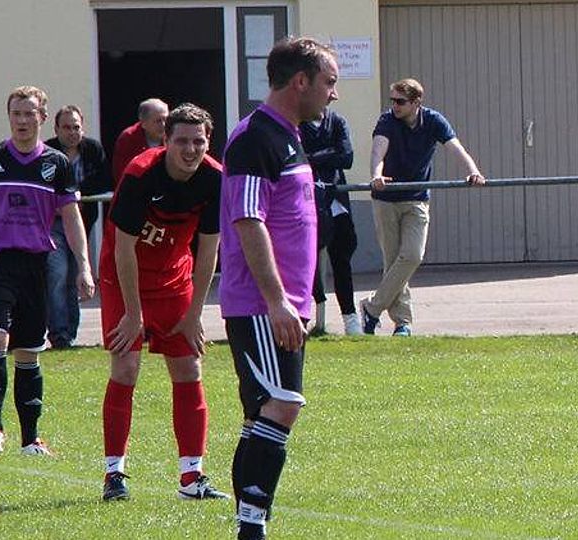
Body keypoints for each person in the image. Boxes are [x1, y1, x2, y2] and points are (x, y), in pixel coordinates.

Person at [220, 36, 338, 540]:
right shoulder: (255, 139)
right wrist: (276, 302)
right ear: (300, 82)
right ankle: (252, 527)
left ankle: (250, 523)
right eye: (329, 82)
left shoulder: (287, 135)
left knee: (262, 412)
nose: (334, 94)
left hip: (282, 303)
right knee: (282, 404)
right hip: (262, 305)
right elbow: (249, 220)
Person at [0, 86, 95, 457]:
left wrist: (84, 266)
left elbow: (71, 216)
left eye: (29, 114)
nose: (22, 121)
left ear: (42, 118)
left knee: (28, 352)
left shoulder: (57, 164)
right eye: (16, 114)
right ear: (9, 117)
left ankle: (31, 438)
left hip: (36, 265)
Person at [98, 103, 228, 502]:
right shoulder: (141, 173)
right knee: (126, 366)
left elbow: (209, 252)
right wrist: (134, 314)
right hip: (125, 279)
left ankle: (192, 478)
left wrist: (194, 314)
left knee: (189, 367)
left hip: (174, 280)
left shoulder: (215, 179)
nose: (191, 149)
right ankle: (113, 474)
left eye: (199, 141)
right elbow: (123, 249)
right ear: (166, 140)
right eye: (182, 141)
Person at [360, 78, 486, 336]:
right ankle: (403, 323)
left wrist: (473, 171)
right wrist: (376, 175)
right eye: (392, 100)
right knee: (393, 261)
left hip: (416, 198)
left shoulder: (433, 121)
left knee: (412, 256)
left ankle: (372, 308)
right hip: (386, 200)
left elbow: (456, 147)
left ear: (416, 102)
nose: (394, 105)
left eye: (400, 101)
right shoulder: (387, 122)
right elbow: (378, 152)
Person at [44, 105, 112, 348]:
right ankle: (59, 333)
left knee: (75, 276)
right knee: (57, 274)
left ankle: (69, 332)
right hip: (53, 223)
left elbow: (105, 179)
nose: (72, 132)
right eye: (66, 127)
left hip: (83, 222)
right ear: (56, 129)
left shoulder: (92, 149)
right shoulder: (47, 150)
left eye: (76, 127)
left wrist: (79, 194)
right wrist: (68, 196)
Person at [299, 107, 362, 336]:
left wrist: (314, 157)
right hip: (308, 200)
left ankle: (350, 317)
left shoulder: (337, 121)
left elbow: (346, 157)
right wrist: (327, 153)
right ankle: (311, 315)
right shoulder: (297, 123)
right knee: (309, 259)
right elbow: (299, 158)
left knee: (342, 256)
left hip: (336, 199)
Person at [112, 98, 169, 186]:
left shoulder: (174, 137)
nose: (164, 125)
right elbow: (121, 175)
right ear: (143, 123)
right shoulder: (128, 138)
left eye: (165, 119)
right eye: (158, 121)